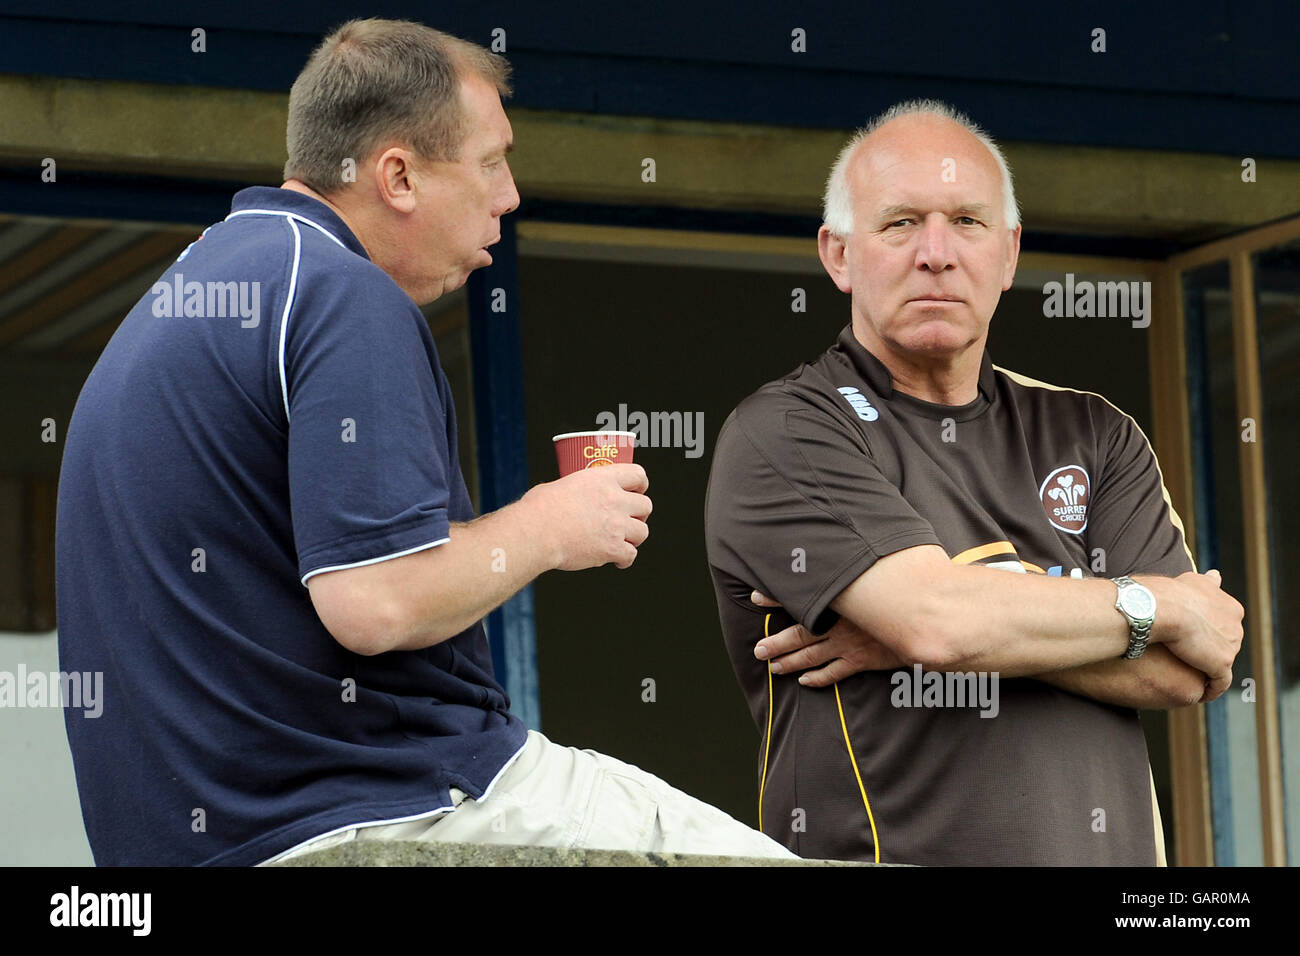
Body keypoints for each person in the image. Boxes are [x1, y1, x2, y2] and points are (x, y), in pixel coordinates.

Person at [56, 18, 794, 866]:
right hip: (379, 809)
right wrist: (554, 524)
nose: (511, 194)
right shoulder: (341, 293)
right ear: (398, 175)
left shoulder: (191, 293)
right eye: (490, 162)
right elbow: (377, 601)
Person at [703, 99, 1244, 866]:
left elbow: (1184, 668)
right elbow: (940, 624)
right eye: (899, 223)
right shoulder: (785, 429)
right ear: (838, 254)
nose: (936, 252)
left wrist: (966, 623)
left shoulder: (1095, 432)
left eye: (967, 221)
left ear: (1010, 252)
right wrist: (1154, 604)